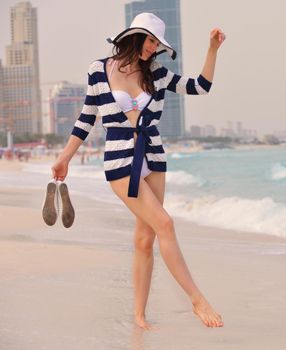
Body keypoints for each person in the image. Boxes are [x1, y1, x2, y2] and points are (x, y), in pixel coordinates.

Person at [51, 12, 225, 329]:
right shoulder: (98, 70)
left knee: (145, 239)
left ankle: (139, 316)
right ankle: (197, 299)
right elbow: (86, 119)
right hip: (119, 159)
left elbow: (200, 87)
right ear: (135, 36)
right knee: (166, 224)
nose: (153, 47)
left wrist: (212, 49)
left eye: (157, 43)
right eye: (150, 40)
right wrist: (65, 157)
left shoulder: (156, 73)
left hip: (153, 154)